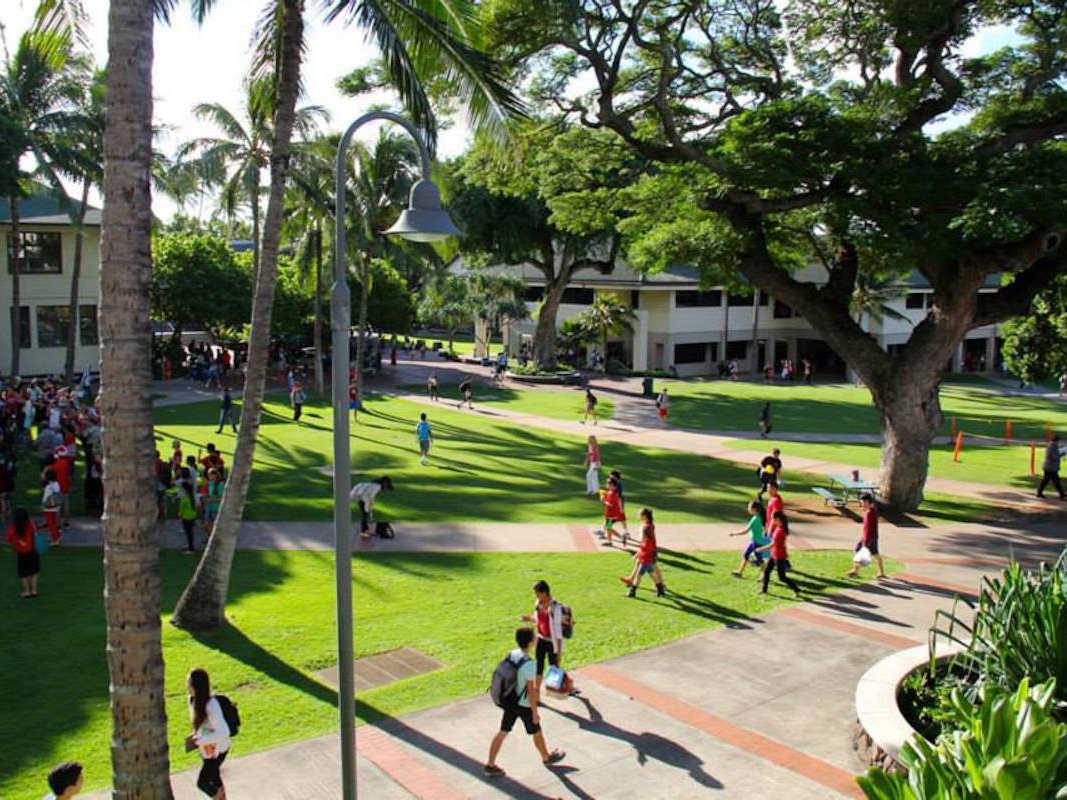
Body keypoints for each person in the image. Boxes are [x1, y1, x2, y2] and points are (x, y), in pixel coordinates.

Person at [484, 627, 566, 778]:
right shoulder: (529, 663)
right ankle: (546, 757)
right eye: (534, 637)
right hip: (523, 704)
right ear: (531, 642)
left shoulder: (512, 654)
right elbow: (531, 690)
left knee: (503, 732)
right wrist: (535, 712)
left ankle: (490, 764)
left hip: (510, 701)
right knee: (536, 730)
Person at [187, 668, 231, 800]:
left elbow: (224, 732)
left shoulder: (212, 705)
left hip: (218, 750)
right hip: (207, 749)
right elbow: (204, 726)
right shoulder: (192, 700)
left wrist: (199, 740)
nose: (187, 686)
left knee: (203, 783)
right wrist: (196, 735)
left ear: (197, 686)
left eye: (189, 683)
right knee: (214, 778)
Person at [520, 580, 565, 691]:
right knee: (538, 667)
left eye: (537, 593)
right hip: (541, 640)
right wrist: (528, 618)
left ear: (544, 592)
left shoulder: (556, 608)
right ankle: (537, 692)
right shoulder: (538, 604)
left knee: (553, 668)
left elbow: (559, 633)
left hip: (552, 643)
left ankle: (565, 686)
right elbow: (538, 619)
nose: (536, 596)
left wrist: (559, 653)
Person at [621, 508, 666, 597]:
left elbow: (643, 543)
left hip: (646, 556)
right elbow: (645, 543)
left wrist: (640, 552)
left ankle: (632, 592)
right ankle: (660, 589)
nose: (639, 516)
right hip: (648, 554)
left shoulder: (646, 528)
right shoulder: (649, 525)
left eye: (640, 514)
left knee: (639, 575)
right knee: (651, 573)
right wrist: (639, 553)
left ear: (644, 516)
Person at [757, 510, 801, 598]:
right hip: (774, 554)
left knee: (782, 578)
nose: (771, 520)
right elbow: (782, 543)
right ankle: (764, 589)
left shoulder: (780, 531)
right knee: (766, 571)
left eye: (772, 518)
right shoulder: (778, 528)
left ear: (777, 519)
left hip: (779, 557)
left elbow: (773, 544)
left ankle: (797, 589)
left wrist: (761, 549)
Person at [846, 494, 886, 579]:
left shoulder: (870, 513)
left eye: (863, 502)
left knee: (873, 554)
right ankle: (856, 570)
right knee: (871, 553)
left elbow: (868, 528)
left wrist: (865, 542)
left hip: (869, 538)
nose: (862, 504)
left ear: (867, 502)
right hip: (868, 536)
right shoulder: (871, 510)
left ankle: (856, 571)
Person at [5, 507, 39, 598]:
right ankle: (34, 590)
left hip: (21, 553)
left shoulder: (13, 528)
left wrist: (16, 544)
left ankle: (26, 591)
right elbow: (36, 534)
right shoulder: (30, 525)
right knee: (34, 571)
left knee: (23, 573)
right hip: (32, 551)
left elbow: (8, 539)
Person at [730, 500, 769, 577]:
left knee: (760, 560)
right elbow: (764, 529)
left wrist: (734, 533)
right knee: (746, 555)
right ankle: (739, 572)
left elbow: (745, 531)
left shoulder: (755, 519)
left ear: (754, 509)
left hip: (756, 542)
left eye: (749, 507)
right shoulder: (759, 517)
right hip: (753, 541)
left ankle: (764, 576)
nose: (748, 509)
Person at [598, 475, 626, 547]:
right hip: (610, 514)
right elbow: (608, 498)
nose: (607, 485)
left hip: (611, 515)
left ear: (612, 485)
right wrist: (604, 495)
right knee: (608, 528)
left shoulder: (613, 494)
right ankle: (610, 541)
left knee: (608, 528)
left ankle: (620, 538)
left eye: (608, 483)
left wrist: (603, 500)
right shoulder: (611, 492)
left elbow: (611, 505)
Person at [1037, 435, 1066, 499]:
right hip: (1050, 467)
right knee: (1053, 481)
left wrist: (1060, 454)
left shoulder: (1052, 445)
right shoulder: (1052, 446)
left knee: (1050, 481)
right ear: (1056, 441)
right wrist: (1062, 454)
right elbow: (1054, 457)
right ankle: (1062, 494)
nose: (1059, 443)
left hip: (1050, 467)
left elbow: (1055, 455)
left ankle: (1062, 494)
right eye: (1058, 441)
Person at [178, 479, 200, 553]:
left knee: (188, 533)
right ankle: (190, 546)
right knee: (190, 533)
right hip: (192, 516)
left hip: (186, 517)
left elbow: (181, 509)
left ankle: (191, 548)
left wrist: (180, 514)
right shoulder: (193, 497)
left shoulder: (184, 498)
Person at [42, 468, 62, 544]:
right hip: (56, 507)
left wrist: (43, 505)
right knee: (54, 522)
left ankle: (55, 539)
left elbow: (45, 499)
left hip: (48, 508)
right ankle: (57, 535)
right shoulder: (57, 484)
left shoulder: (48, 487)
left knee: (51, 524)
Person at [202, 468, 223, 537]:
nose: (208, 476)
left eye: (210, 475)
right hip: (208, 507)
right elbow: (207, 494)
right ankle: (208, 539)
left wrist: (210, 500)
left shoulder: (220, 485)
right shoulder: (210, 483)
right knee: (206, 525)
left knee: (215, 526)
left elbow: (221, 498)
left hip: (216, 508)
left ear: (215, 475)